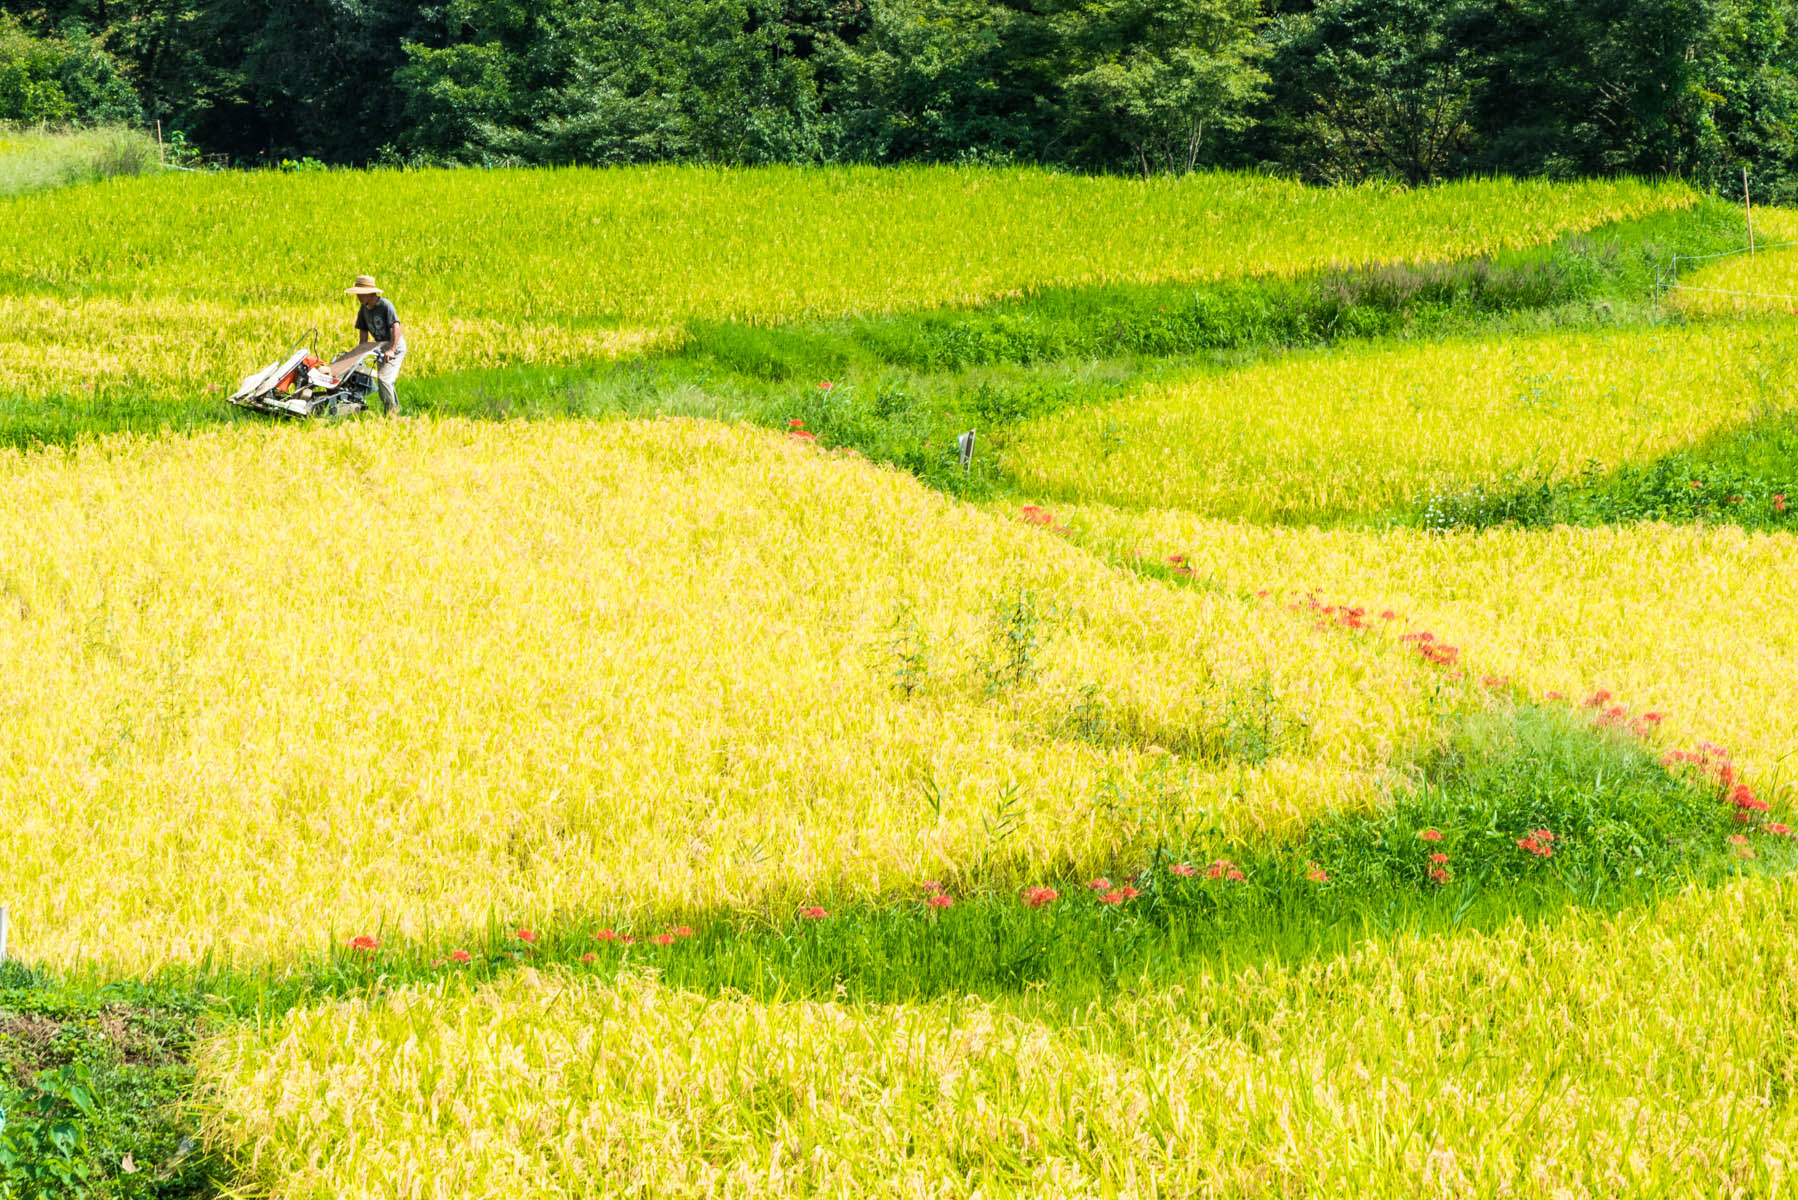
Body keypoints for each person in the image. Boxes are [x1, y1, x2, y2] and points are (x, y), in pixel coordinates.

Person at [344, 274, 406, 415]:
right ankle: (394, 411)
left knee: (384, 379)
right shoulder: (363, 309)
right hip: (380, 347)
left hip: (394, 346)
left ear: (370, 293)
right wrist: (358, 354)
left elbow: (396, 327)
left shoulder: (385, 306)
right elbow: (364, 333)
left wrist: (391, 349)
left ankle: (391, 415)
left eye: (361, 294)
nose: (358, 297)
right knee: (385, 380)